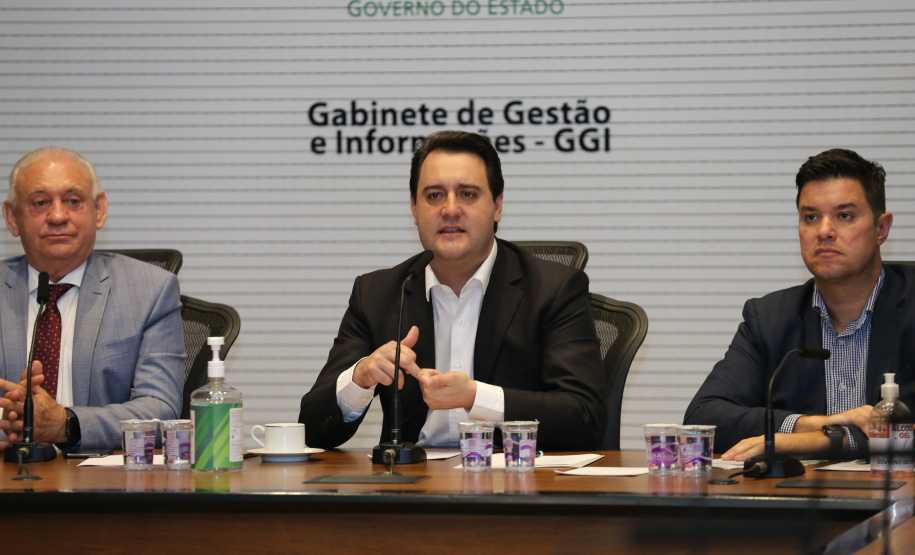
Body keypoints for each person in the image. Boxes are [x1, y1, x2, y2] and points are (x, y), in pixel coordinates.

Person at [299, 131, 606, 451]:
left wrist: (476, 397)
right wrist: (359, 379)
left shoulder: (554, 289)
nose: (450, 209)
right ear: (414, 210)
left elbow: (586, 419)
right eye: (434, 196)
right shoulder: (378, 293)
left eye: (468, 194)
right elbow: (312, 431)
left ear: (497, 206)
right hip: (413, 489)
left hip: (515, 485)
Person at [684, 148, 914, 461]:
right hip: (801, 502)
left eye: (844, 216)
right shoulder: (769, 318)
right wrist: (812, 425)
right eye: (811, 217)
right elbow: (704, 416)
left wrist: (813, 443)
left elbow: (906, 427)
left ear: (881, 229)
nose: (824, 231)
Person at [0, 146, 185, 451]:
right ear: (12, 217)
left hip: (102, 486)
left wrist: (66, 423)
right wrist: (14, 418)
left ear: (98, 210)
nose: (57, 216)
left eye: (73, 201)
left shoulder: (151, 290)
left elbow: (160, 410)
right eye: (40, 202)